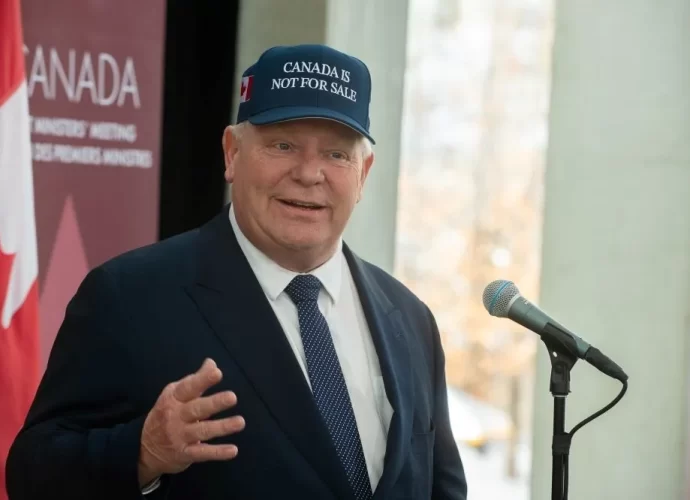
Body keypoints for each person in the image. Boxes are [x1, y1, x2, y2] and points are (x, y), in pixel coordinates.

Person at [6, 44, 467, 500]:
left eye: (336, 155)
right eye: (283, 145)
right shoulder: (129, 298)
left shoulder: (411, 319)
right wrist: (143, 452)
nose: (309, 174)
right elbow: (33, 473)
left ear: (363, 173)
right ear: (232, 153)